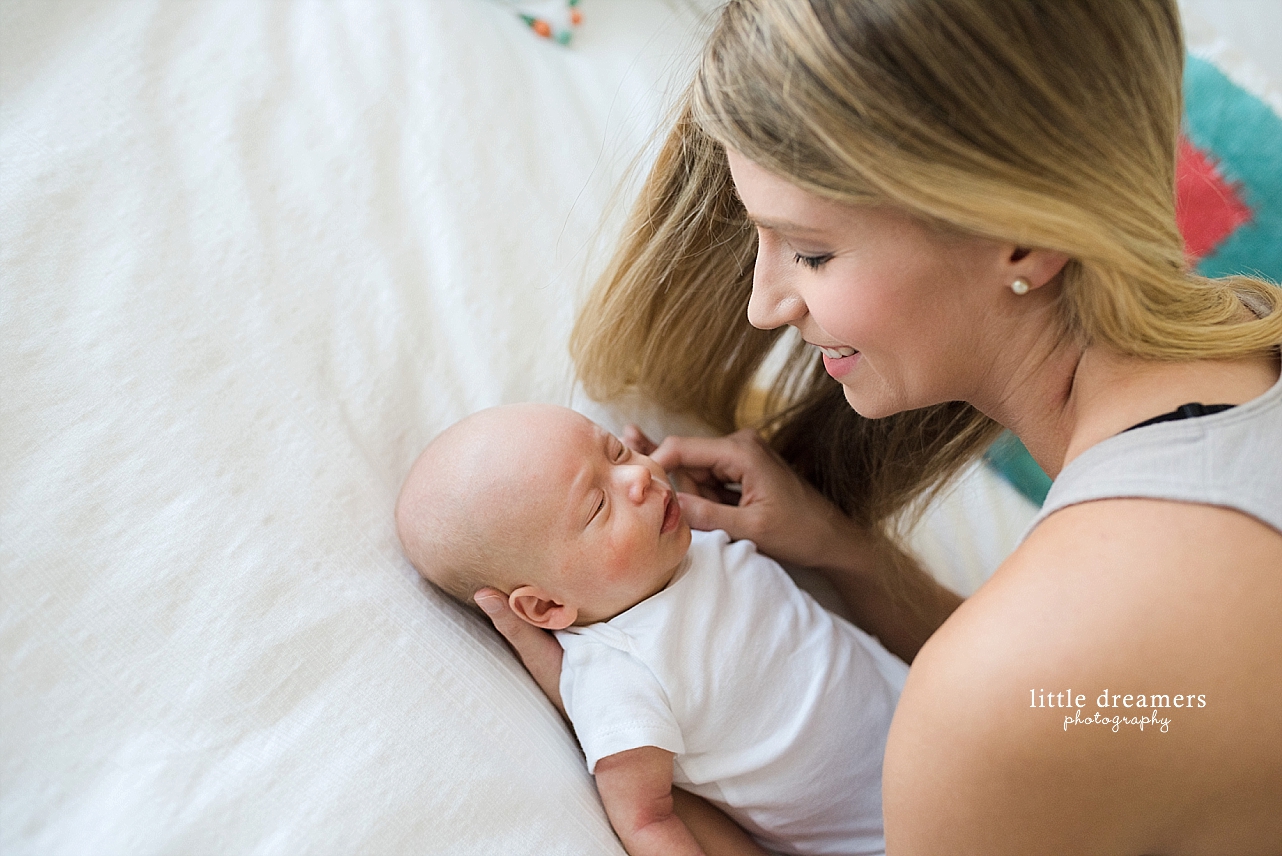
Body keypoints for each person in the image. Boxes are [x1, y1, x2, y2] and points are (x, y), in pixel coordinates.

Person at [475, 0, 1282, 852]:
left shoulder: (997, 701)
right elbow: (1120, 724)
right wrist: (844, 552)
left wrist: (628, 748)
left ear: (1023, 237)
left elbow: (1049, 712)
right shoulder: (1245, 360)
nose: (762, 305)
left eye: (812, 252)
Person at [396, 403, 908, 856]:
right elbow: (646, 818)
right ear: (547, 604)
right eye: (597, 506)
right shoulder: (615, 674)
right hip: (890, 833)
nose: (638, 477)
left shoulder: (686, 540)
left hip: (928, 711)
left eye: (616, 453)